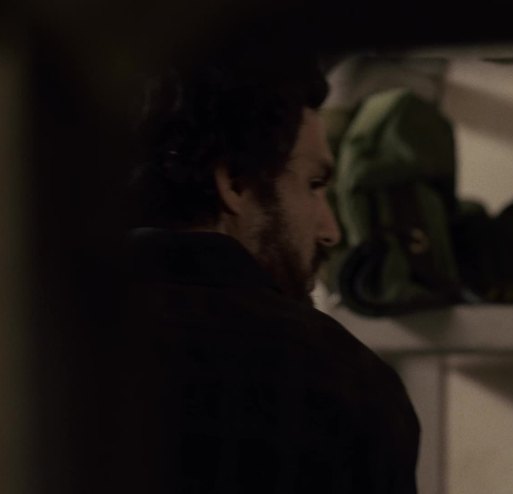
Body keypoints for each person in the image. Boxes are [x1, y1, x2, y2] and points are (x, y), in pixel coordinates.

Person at [115, 23, 420, 494]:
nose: (331, 230)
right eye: (314, 185)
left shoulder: (30, 345)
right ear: (236, 182)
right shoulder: (344, 382)